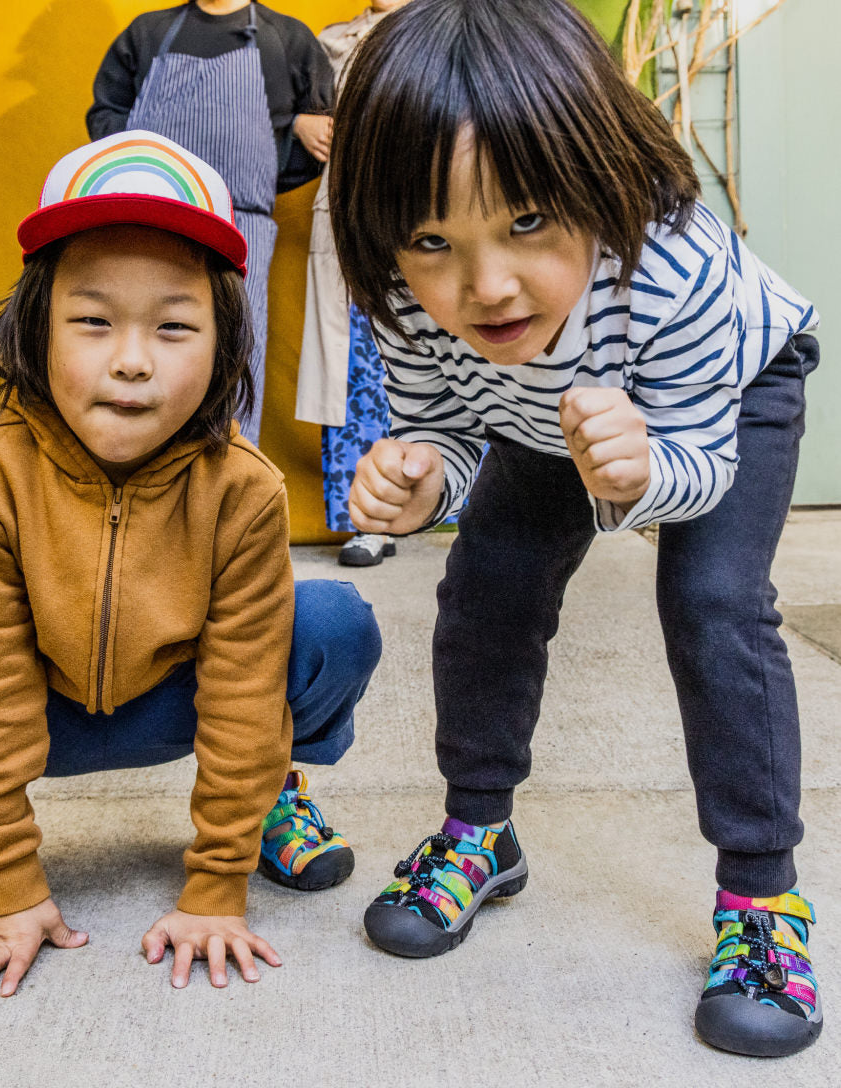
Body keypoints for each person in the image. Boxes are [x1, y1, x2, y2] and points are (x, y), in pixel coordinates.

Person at [328, 0, 822, 1059]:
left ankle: (763, 904)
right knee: (487, 583)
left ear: (594, 174)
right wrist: (422, 478)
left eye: (525, 222)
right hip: (538, 411)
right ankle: (478, 830)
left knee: (711, 603)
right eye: (432, 241)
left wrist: (638, 469)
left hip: (718, 406)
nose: (485, 285)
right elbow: (442, 417)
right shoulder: (403, 292)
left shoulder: (672, 263)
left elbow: (693, 474)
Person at [0, 131, 381, 999]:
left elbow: (241, 687)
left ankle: (269, 796)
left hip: (170, 702)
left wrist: (215, 889)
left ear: (224, 344)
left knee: (332, 622)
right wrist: (5, 882)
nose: (133, 359)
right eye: (93, 320)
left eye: (174, 325)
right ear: (36, 329)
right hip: (39, 713)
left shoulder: (241, 491)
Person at [87, 0, 335, 444]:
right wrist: (142, 168)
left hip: (245, 230)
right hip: (150, 223)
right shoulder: (147, 33)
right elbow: (105, 115)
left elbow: (318, 134)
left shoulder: (289, 40)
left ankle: (233, 494)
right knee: (147, 354)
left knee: (237, 359)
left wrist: (295, 127)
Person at [295, 0, 411, 568]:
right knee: (356, 371)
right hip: (348, 217)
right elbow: (290, 107)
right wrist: (300, 122)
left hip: (427, 212)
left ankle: (467, 505)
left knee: (448, 359)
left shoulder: (449, 27)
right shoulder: (328, 43)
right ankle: (370, 522)